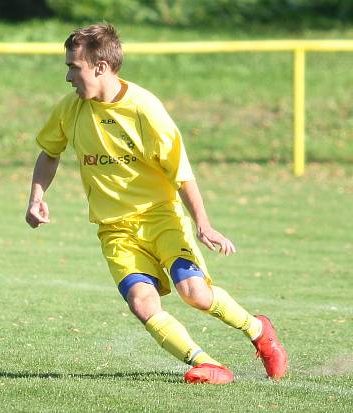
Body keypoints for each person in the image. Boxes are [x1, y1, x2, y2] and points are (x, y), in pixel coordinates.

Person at [25, 23, 287, 384]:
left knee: (194, 293)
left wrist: (203, 223)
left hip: (161, 219)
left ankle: (258, 330)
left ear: (100, 67)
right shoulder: (69, 110)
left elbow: (181, 172)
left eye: (74, 67)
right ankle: (208, 364)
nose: (68, 76)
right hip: (115, 229)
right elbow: (49, 153)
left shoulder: (145, 110)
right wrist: (37, 197)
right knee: (142, 304)